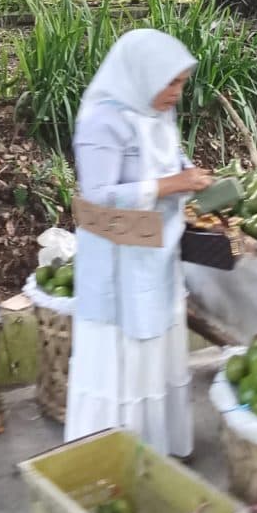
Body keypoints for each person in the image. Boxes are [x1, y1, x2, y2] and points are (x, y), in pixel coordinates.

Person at [64, 29, 212, 458]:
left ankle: (157, 449)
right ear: (141, 75)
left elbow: (172, 159)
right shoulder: (102, 121)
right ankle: (113, 456)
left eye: (181, 83)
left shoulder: (156, 110)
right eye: (170, 82)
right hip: (117, 262)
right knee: (123, 356)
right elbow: (98, 197)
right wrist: (172, 184)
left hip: (156, 253)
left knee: (155, 348)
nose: (176, 93)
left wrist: (193, 176)